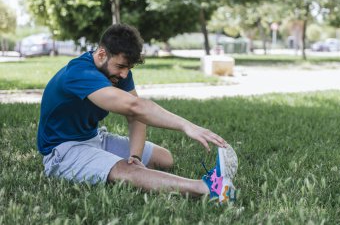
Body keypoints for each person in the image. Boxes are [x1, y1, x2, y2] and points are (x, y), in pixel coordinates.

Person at [37, 24, 238, 203]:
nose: (125, 74)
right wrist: (187, 126)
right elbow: (135, 107)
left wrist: (135, 155)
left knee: (164, 158)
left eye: (129, 68)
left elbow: (135, 117)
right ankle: (209, 188)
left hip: (94, 139)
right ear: (101, 54)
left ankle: (134, 167)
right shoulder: (79, 73)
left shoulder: (116, 72)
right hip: (63, 151)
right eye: (121, 67)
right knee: (127, 171)